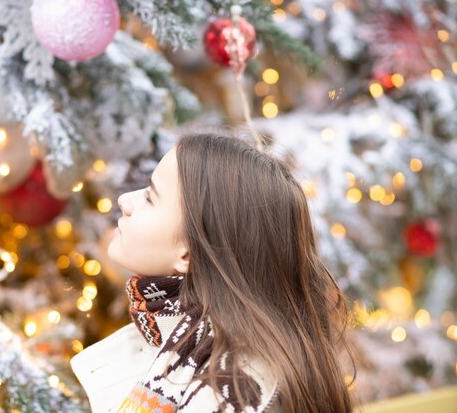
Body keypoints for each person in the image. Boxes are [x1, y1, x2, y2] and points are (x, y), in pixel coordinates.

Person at [71, 133, 356, 413]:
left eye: (150, 197)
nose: (124, 200)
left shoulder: (230, 392)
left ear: (188, 252)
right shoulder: (174, 347)